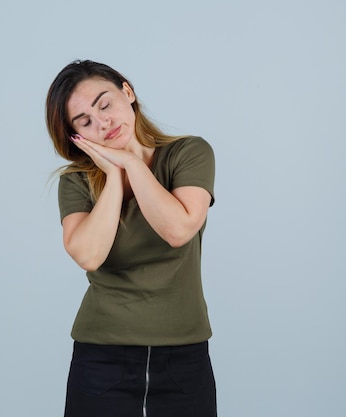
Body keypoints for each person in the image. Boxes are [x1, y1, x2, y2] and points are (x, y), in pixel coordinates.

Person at [45, 60, 217, 417]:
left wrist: (133, 164)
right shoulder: (76, 180)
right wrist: (111, 174)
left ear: (128, 91)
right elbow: (89, 255)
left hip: (184, 356)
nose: (102, 123)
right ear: (76, 136)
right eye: (84, 121)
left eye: (104, 104)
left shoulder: (189, 153)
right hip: (101, 357)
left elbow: (178, 229)